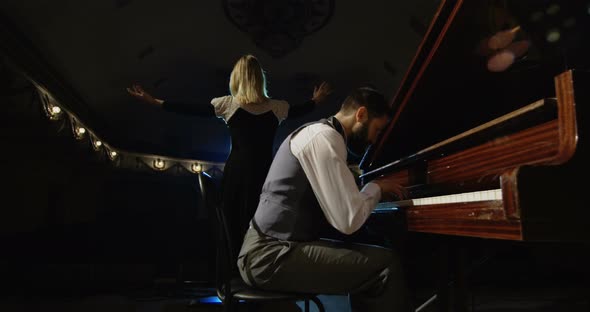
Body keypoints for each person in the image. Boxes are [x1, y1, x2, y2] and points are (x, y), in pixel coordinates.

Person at [126, 54, 332, 255]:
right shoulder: (276, 107)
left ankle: (233, 271)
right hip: (264, 174)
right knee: (260, 224)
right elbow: (300, 110)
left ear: (237, 78)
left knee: (233, 223)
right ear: (260, 79)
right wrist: (316, 100)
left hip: (238, 173)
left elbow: (192, 109)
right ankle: (255, 268)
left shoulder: (229, 104)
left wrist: (155, 101)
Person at [237, 87, 411, 312]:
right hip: (268, 257)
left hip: (269, 249)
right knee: (385, 265)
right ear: (361, 114)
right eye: (377, 130)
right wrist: (375, 187)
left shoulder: (318, 133)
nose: (374, 141)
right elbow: (348, 221)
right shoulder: (324, 137)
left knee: (367, 255)